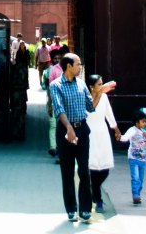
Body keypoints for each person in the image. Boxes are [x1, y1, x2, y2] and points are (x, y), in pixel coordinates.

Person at [49, 52, 113, 222]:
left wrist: (99, 92)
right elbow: (58, 108)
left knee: (84, 171)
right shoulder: (56, 85)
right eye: (78, 64)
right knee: (67, 172)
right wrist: (68, 128)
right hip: (65, 131)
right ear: (69, 66)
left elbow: (90, 107)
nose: (80, 67)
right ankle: (71, 209)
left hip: (82, 130)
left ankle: (85, 209)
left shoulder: (82, 84)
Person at [86, 73, 119, 213]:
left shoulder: (104, 97)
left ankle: (94, 187)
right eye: (99, 84)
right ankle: (98, 199)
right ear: (91, 87)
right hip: (90, 132)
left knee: (105, 168)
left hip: (102, 132)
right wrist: (99, 94)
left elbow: (109, 114)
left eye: (102, 83)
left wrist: (116, 129)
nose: (102, 86)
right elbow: (90, 109)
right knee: (93, 166)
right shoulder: (85, 97)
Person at [120, 109, 146, 205]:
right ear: (137, 122)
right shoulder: (132, 130)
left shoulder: (145, 132)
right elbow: (125, 138)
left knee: (141, 178)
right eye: (142, 121)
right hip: (133, 158)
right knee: (135, 177)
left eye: (145, 121)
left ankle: (138, 193)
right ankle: (135, 195)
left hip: (143, 159)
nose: (144, 123)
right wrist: (119, 136)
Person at [43, 49, 62, 158]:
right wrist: (50, 104)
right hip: (52, 101)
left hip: (63, 102)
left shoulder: (65, 69)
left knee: (60, 126)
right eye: (55, 58)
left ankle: (58, 147)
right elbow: (48, 87)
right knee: (53, 124)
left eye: (59, 58)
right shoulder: (50, 70)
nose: (57, 60)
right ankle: (53, 147)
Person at [10, 40, 30, 140]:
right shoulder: (24, 69)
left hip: (14, 93)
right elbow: (26, 82)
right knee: (21, 114)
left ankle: (14, 133)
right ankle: (21, 133)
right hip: (21, 92)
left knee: (14, 113)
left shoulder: (13, 68)